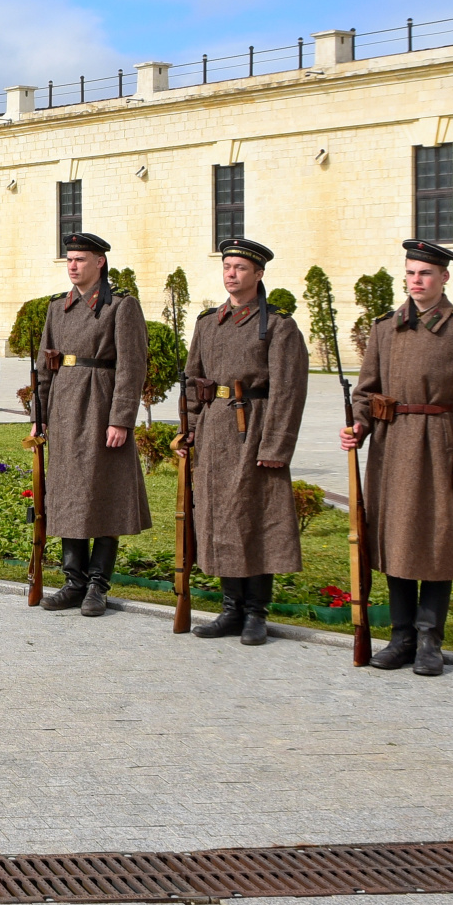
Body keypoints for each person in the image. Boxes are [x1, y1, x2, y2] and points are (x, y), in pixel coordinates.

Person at [339, 240, 453, 676]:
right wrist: (359, 426)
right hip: (390, 447)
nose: (416, 280)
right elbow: (366, 391)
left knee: (436, 542)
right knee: (397, 542)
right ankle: (401, 637)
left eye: (425, 273)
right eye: (410, 273)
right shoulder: (384, 329)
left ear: (444, 277)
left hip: (437, 444)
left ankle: (430, 640)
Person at [181, 237, 310, 646]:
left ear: (258, 273)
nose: (231, 274)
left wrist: (275, 446)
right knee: (219, 517)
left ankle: (256, 612)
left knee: (254, 517)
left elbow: (289, 391)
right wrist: (189, 428)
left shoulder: (278, 326)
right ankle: (230, 609)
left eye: (239, 268)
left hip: (254, 428)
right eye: (227, 267)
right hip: (214, 431)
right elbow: (194, 381)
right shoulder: (208, 322)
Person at [36, 233, 152, 616]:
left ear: (99, 262)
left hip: (101, 408)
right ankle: (74, 582)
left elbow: (132, 367)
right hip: (64, 412)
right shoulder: (58, 307)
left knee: (103, 494)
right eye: (69, 259)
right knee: (68, 496)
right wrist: (39, 416)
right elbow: (45, 366)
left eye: (80, 259)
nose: (72, 266)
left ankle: (98, 585)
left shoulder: (121, 306)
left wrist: (121, 419)